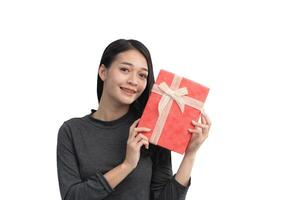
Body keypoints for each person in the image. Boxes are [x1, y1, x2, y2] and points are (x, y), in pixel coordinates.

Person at [56, 39, 211, 200]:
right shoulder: (72, 131)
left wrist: (190, 154)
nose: (134, 81)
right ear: (103, 72)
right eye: (124, 69)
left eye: (142, 75)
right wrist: (127, 165)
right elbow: (71, 197)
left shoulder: (150, 127)